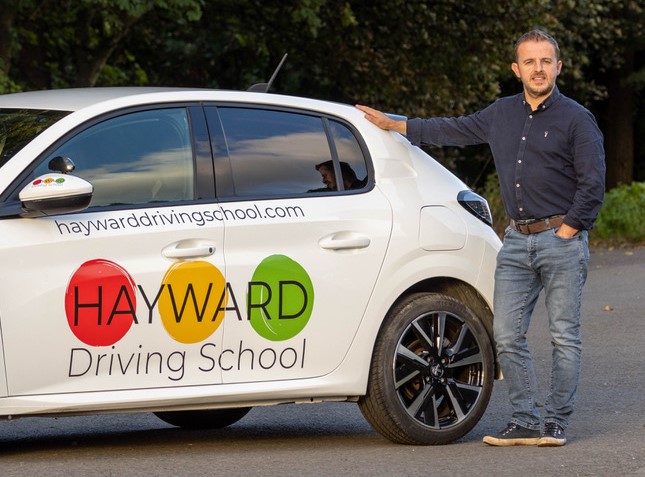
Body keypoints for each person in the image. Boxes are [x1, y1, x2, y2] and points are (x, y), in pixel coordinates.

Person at [356, 29, 605, 447]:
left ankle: (557, 421)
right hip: (514, 243)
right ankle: (525, 419)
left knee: (564, 335)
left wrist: (568, 230)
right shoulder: (501, 114)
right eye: (530, 62)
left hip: (560, 240)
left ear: (559, 67)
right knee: (506, 334)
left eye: (546, 61)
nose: (538, 69)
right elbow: (450, 129)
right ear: (516, 69)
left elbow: (593, 183)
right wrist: (393, 124)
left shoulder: (577, 119)